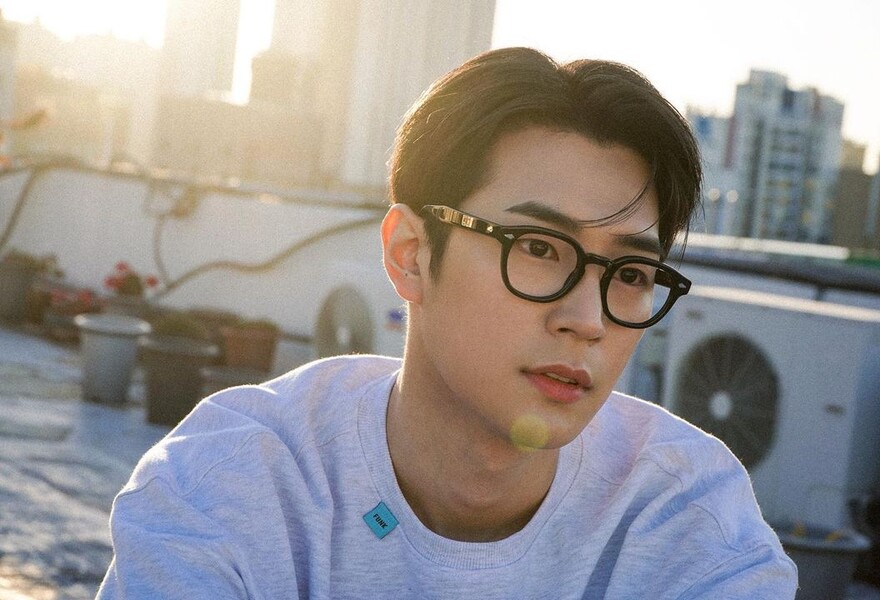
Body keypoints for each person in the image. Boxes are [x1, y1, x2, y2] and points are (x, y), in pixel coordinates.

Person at [97, 47, 798, 598]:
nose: (587, 321)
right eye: (538, 249)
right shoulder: (235, 485)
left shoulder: (687, 520)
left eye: (632, 274)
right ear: (410, 255)